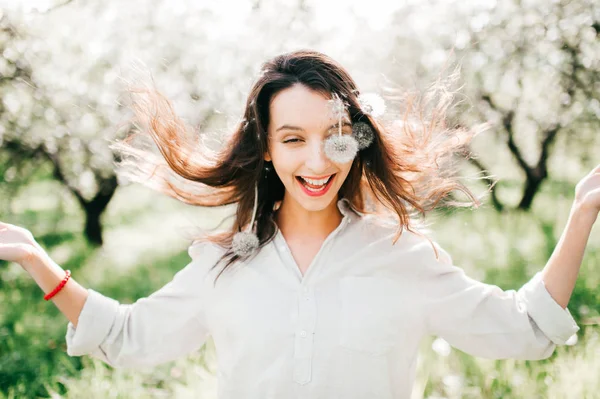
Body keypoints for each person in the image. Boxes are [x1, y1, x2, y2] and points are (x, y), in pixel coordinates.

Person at [0, 49, 595, 399]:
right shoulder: (224, 263)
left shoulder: (402, 255)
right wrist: (35, 258)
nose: (317, 162)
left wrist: (581, 212)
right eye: (293, 139)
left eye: (336, 138)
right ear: (266, 149)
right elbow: (132, 337)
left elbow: (525, 331)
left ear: (357, 143)